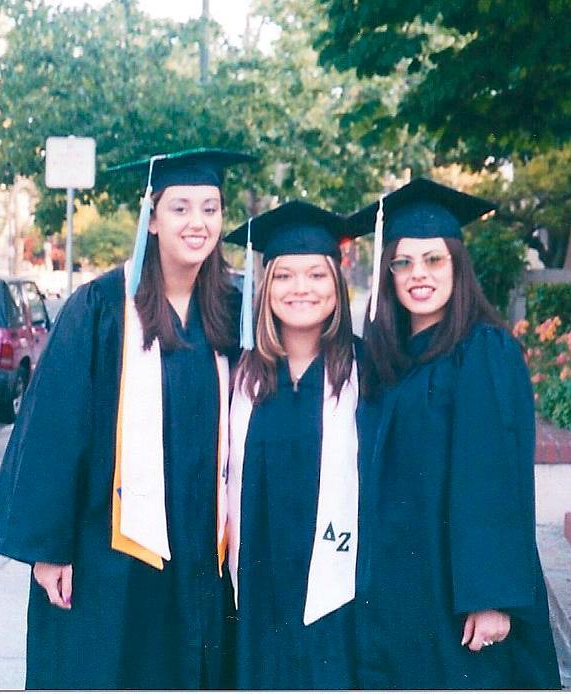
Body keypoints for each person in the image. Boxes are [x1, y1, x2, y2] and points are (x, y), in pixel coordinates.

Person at [0, 149, 254, 689]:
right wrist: (48, 551)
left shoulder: (230, 309)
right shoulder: (100, 307)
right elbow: (53, 432)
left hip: (200, 547)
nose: (197, 223)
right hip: (110, 548)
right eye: (180, 208)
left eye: (210, 208)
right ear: (152, 219)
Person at [349, 178, 561, 689]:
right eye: (404, 263)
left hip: (457, 588)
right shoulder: (387, 359)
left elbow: (494, 481)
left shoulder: (482, 351)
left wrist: (491, 597)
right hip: (397, 584)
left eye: (434, 260)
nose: (418, 275)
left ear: (457, 267)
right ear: (389, 274)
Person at [223, 201, 361, 689]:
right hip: (256, 591)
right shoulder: (236, 375)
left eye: (316, 275)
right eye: (284, 276)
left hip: (342, 590)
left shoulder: (371, 374)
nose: (300, 288)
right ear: (265, 289)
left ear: (337, 288)